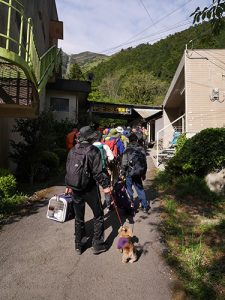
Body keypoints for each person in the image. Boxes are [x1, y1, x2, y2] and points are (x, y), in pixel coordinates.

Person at [65, 126, 112, 255]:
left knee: (79, 217)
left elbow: (69, 169)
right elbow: (98, 173)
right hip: (90, 188)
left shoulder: (73, 150)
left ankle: (78, 245)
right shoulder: (93, 150)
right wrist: (106, 186)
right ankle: (97, 245)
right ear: (91, 137)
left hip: (75, 188)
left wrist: (68, 185)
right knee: (98, 215)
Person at [120, 133, 150, 213]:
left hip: (129, 173)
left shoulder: (127, 149)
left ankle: (130, 208)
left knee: (129, 190)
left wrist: (122, 173)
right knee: (140, 189)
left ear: (129, 140)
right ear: (137, 140)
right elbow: (145, 162)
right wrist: (144, 173)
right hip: (138, 172)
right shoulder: (141, 149)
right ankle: (144, 206)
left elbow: (124, 163)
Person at [92, 131, 114, 212]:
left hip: (93, 172)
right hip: (103, 170)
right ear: (102, 138)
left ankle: (99, 206)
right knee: (106, 188)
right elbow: (111, 158)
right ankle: (108, 205)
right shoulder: (105, 146)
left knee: (95, 189)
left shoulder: (90, 147)